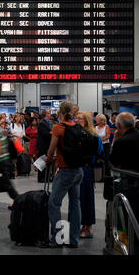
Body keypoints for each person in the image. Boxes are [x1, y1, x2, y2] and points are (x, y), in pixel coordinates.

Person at [45, 101, 84, 248]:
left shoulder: (58, 127)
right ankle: (73, 239)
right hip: (78, 170)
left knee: (54, 203)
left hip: (65, 170)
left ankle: (57, 239)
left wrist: (49, 157)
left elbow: (51, 150)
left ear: (60, 111)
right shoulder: (78, 127)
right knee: (75, 203)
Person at [76, 111, 103, 239]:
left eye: (80, 118)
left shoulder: (93, 136)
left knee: (87, 197)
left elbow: (99, 152)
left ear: (86, 120)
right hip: (76, 169)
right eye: (76, 118)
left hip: (86, 169)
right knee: (77, 198)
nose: (77, 120)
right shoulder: (76, 134)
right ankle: (82, 225)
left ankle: (88, 226)